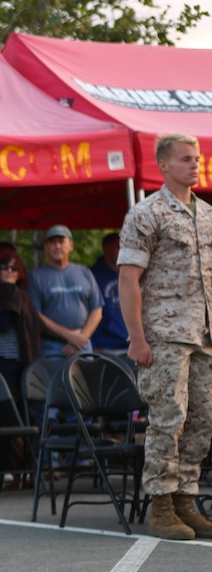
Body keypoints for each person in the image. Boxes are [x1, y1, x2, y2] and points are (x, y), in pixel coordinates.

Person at [118, 133, 212, 541]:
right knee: (167, 419)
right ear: (164, 165)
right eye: (186, 159)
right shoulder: (146, 213)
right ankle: (160, 505)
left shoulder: (207, 214)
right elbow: (128, 279)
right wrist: (137, 338)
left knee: (201, 420)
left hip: (203, 334)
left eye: (198, 159)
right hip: (164, 334)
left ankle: (184, 500)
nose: (195, 165)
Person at [29, 225, 103, 357]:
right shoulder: (36, 277)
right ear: (46, 247)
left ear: (71, 245)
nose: (57, 246)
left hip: (83, 346)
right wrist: (68, 336)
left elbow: (97, 310)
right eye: (52, 242)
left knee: (85, 378)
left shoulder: (84, 272)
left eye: (61, 241)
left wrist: (81, 338)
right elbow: (35, 315)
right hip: (52, 347)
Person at [0, 253, 42, 406]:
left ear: (20, 273)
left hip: (24, 360)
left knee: (21, 407)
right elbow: (2, 325)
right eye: (5, 267)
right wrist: (9, 296)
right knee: (4, 406)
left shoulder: (24, 297)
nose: (9, 271)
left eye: (14, 268)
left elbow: (35, 326)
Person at [90, 233, 129, 356]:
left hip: (131, 345)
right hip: (105, 346)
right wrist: (93, 343)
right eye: (118, 247)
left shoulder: (132, 274)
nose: (122, 251)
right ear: (105, 248)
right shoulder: (92, 276)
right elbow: (86, 311)